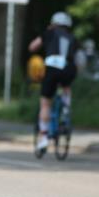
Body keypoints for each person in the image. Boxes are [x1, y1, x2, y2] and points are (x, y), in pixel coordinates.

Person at [28, 11, 78, 155]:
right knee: (66, 86)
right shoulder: (72, 37)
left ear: (53, 23)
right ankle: (66, 108)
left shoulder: (49, 33)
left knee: (45, 103)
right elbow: (79, 58)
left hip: (52, 68)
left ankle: (43, 137)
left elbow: (32, 47)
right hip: (69, 68)